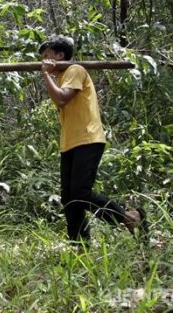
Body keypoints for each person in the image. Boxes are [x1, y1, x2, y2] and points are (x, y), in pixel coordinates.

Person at [39, 35, 147, 245]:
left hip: (88, 139)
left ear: (60, 55)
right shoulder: (59, 77)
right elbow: (60, 100)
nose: (43, 61)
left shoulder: (74, 70)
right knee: (70, 199)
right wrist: (49, 76)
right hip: (69, 143)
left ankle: (130, 218)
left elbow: (62, 98)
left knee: (80, 192)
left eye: (46, 56)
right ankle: (80, 246)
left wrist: (46, 75)